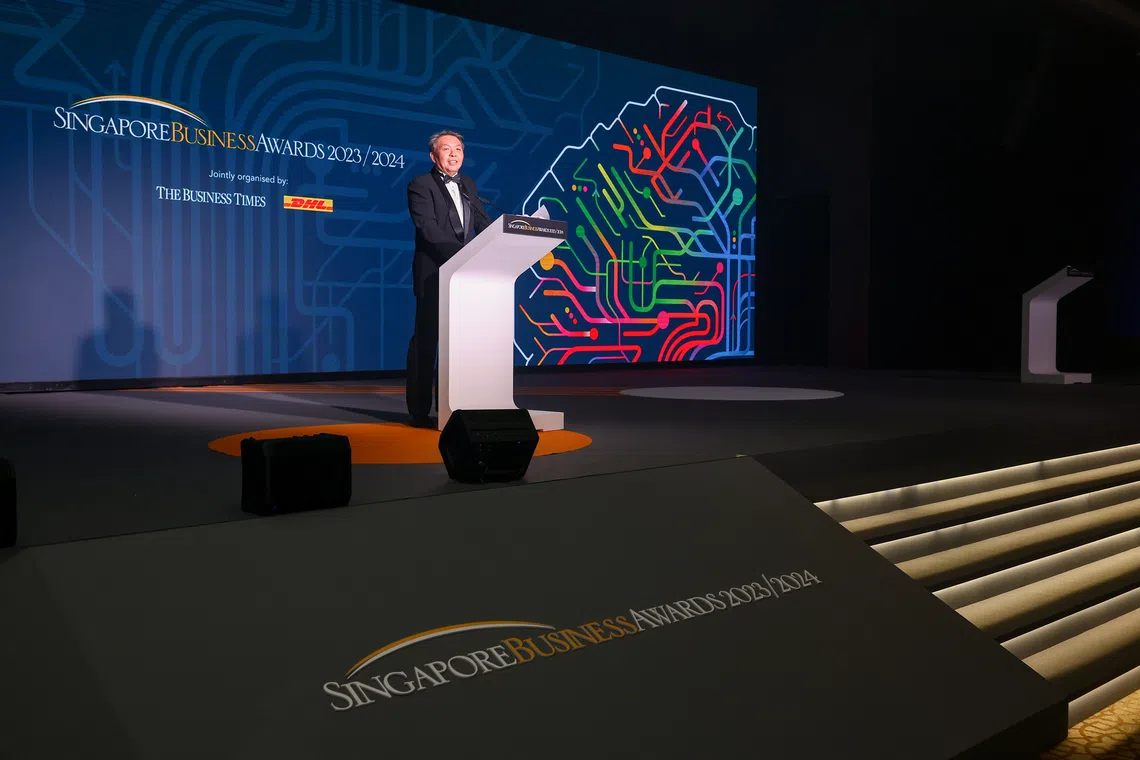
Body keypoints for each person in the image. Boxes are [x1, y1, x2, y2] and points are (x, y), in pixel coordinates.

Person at [405, 129, 492, 426]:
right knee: (427, 343)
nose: (454, 154)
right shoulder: (420, 184)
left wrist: (497, 241)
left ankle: (454, 406)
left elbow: (481, 222)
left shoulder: (468, 184)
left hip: (465, 279)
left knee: (461, 346)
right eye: (447, 149)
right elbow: (428, 229)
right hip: (434, 275)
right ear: (434, 156)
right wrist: (465, 256)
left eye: (458, 149)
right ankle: (418, 410)